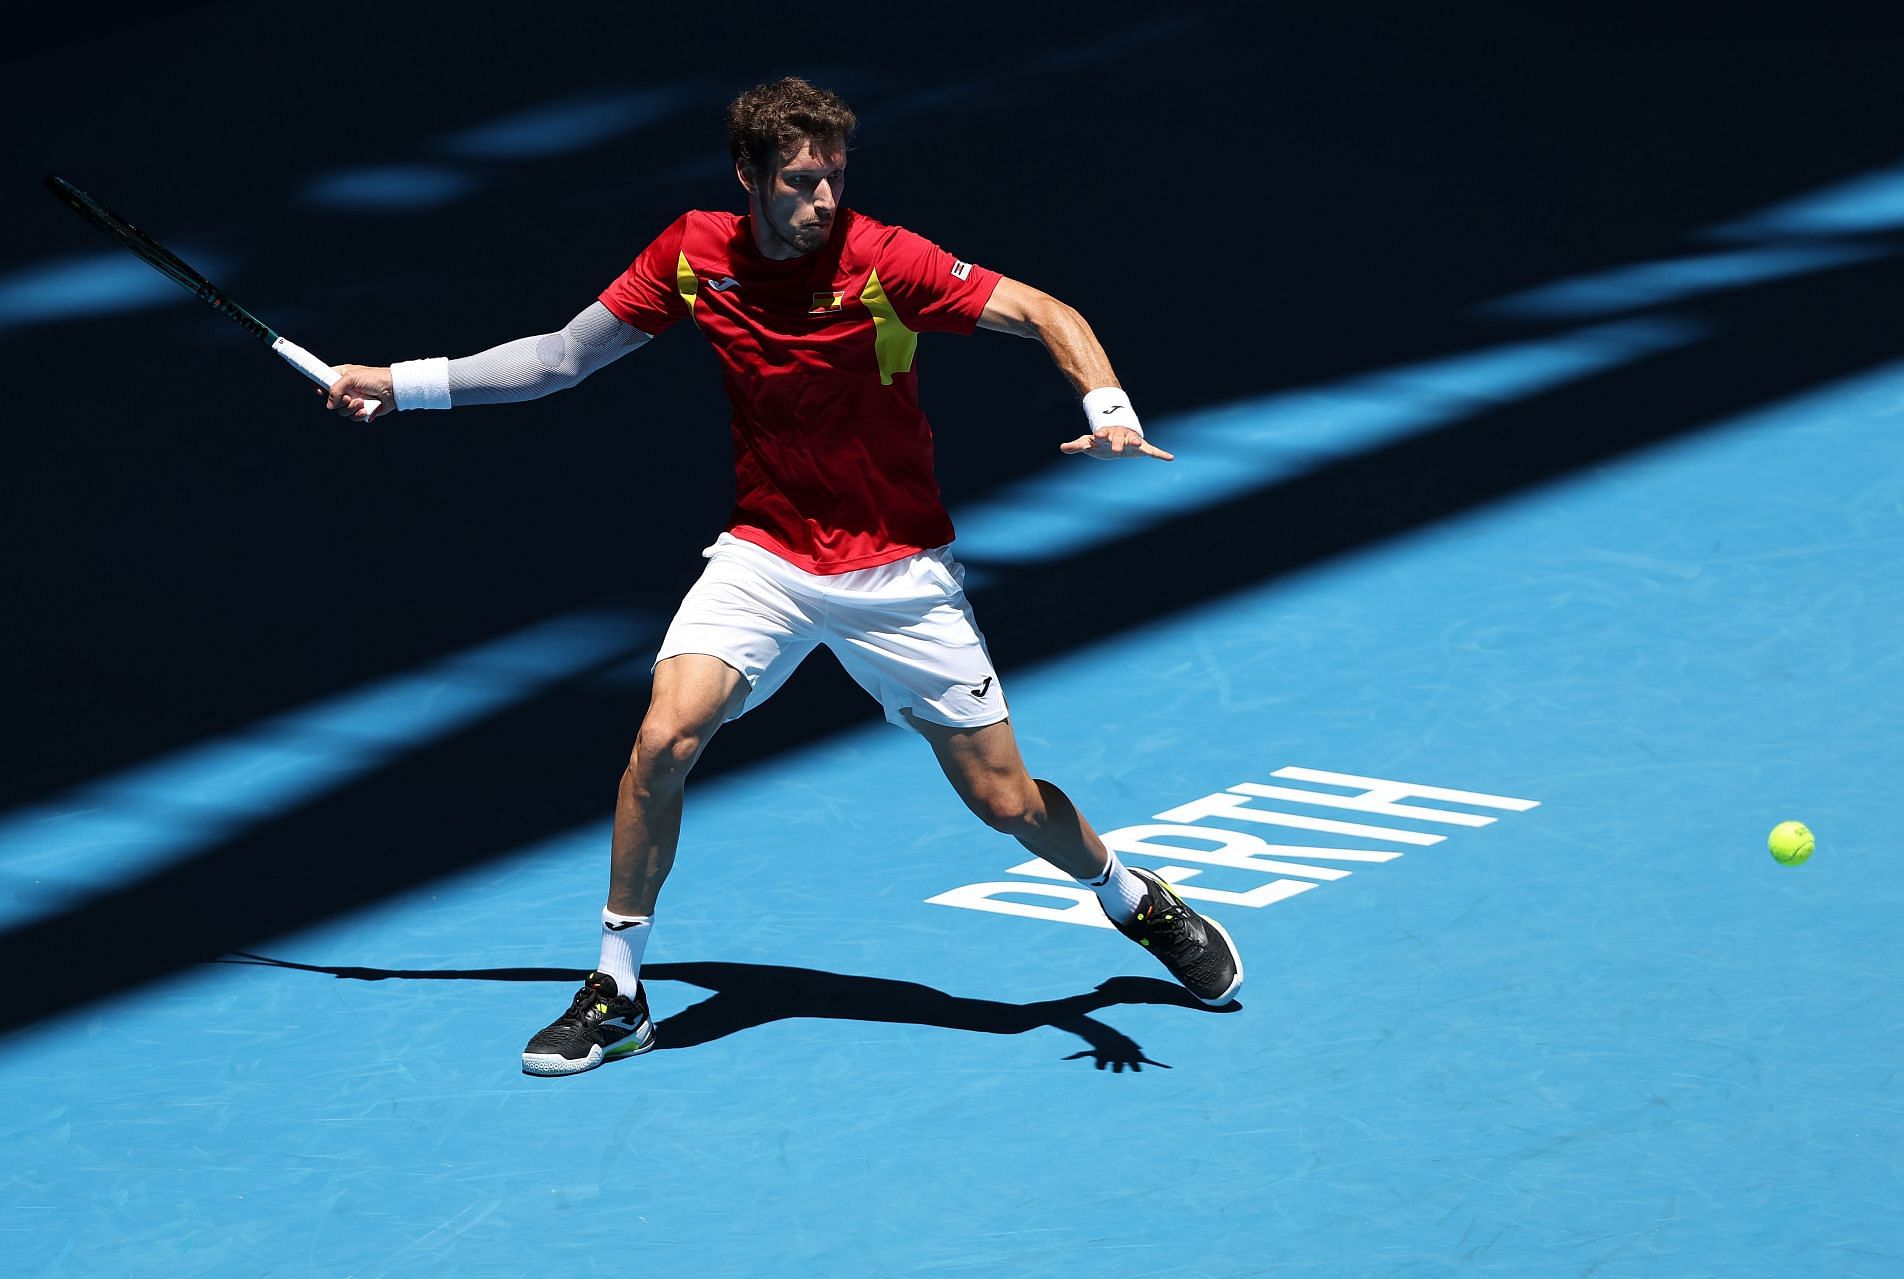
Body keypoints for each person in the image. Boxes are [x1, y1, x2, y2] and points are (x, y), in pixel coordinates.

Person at [321, 78, 1242, 1076]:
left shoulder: (886, 261)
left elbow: (1043, 310)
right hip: (766, 555)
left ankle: (1128, 896)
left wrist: (1107, 402)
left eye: (835, 178)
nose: (824, 201)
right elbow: (558, 359)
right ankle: (619, 989)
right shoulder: (692, 255)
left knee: (1008, 804)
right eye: (802, 182)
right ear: (748, 178)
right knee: (664, 736)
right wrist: (401, 385)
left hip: (898, 572)